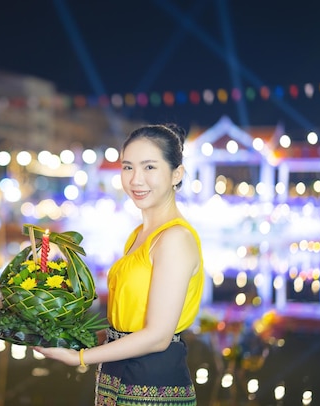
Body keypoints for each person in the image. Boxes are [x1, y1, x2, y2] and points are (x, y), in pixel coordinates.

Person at [33, 123, 204, 405]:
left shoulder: (174, 238)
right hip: (117, 379)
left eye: (149, 167)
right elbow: (130, 323)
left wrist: (79, 358)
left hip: (153, 384)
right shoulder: (139, 236)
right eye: (128, 167)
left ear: (177, 174)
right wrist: (79, 337)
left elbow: (158, 337)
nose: (136, 179)